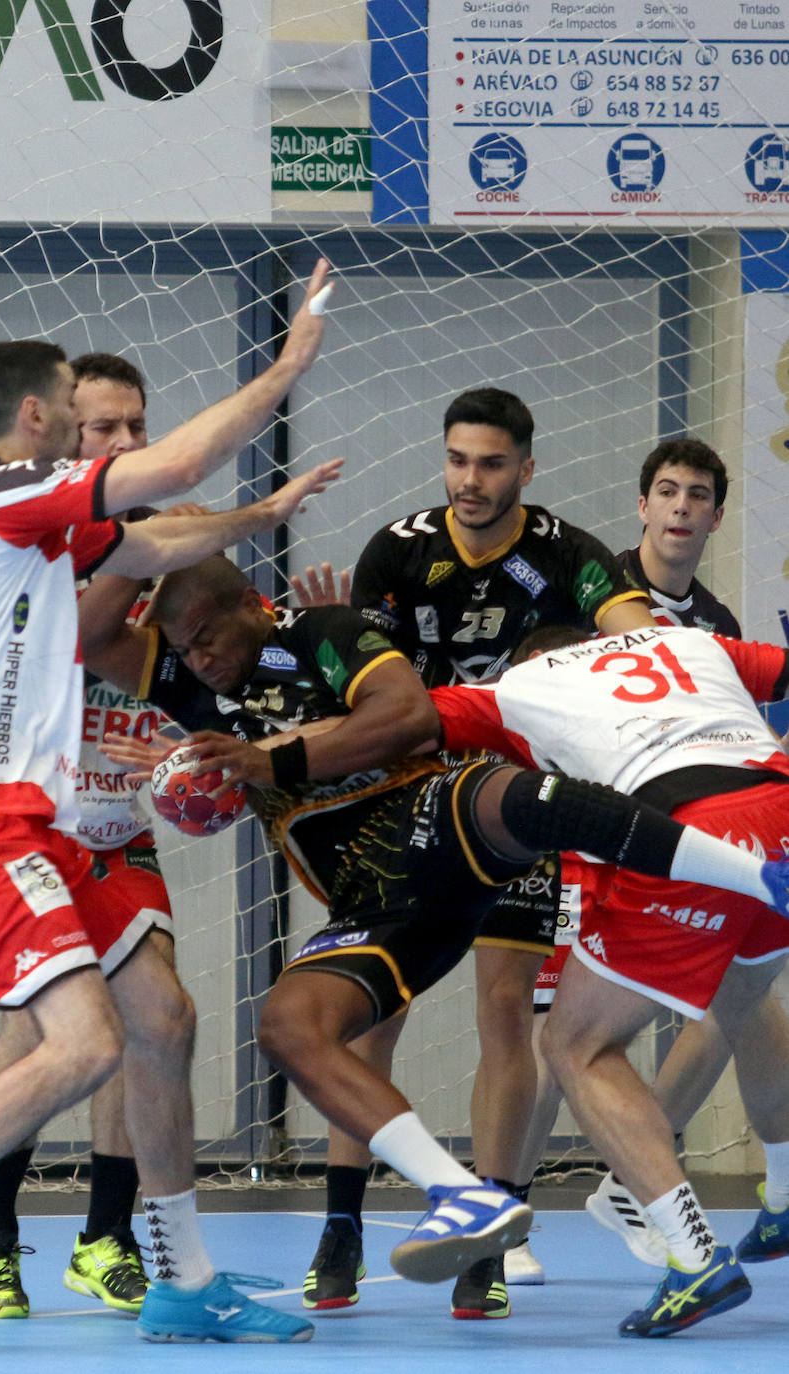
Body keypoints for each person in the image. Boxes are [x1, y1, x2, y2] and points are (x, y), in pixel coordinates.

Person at [0, 259, 341, 1353]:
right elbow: (179, 465)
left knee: (162, 1021)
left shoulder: (29, 522)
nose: (90, 429)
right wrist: (289, 365)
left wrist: (265, 511)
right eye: (75, 407)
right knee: (83, 1045)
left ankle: (183, 1280)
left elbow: (151, 540)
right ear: (33, 415)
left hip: (36, 822)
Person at [85, 555, 789, 1325]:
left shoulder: (368, 645)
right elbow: (96, 633)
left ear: (251, 606)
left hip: (438, 823)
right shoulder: (692, 643)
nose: (200, 658)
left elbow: (410, 714)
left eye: (207, 637)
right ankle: (463, 1198)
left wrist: (270, 755)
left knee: (529, 868)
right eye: (183, 649)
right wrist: (144, 552)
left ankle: (672, 1221)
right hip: (378, 901)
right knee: (289, 1026)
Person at [293, 386, 656, 1316]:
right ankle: (340, 1229)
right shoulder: (399, 552)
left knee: (507, 1013)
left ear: (525, 470)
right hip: (409, 807)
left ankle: (490, 1241)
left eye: (490, 464)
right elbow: (358, 692)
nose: (469, 480)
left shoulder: (567, 554)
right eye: (457, 460)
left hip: (515, 810)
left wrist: (661, 660)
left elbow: (635, 637)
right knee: (369, 1017)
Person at [431, 620, 789, 1335]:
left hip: (693, 830)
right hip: (780, 806)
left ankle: (694, 1255)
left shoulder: (522, 685)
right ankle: (782, 1193)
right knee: (743, 1001)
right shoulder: (688, 638)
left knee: (574, 1047)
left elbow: (396, 718)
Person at [518, 438, 788, 1269]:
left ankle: (646, 1190)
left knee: (737, 1001)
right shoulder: (593, 597)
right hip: (584, 834)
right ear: (642, 507)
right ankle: (505, 1216)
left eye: (696, 495)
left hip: (693, 840)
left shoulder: (717, 628)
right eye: (665, 492)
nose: (679, 507)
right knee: (554, 1038)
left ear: (714, 515)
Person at [0, 352, 183, 1320]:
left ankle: (106, 1235)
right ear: (60, 435)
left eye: (139, 427)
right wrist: (163, 547)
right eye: (107, 431)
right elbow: (79, 641)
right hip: (30, 830)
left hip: (117, 822)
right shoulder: (31, 543)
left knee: (161, 1020)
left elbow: (189, 673)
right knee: (37, 1029)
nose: (128, 444)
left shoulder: (160, 550)